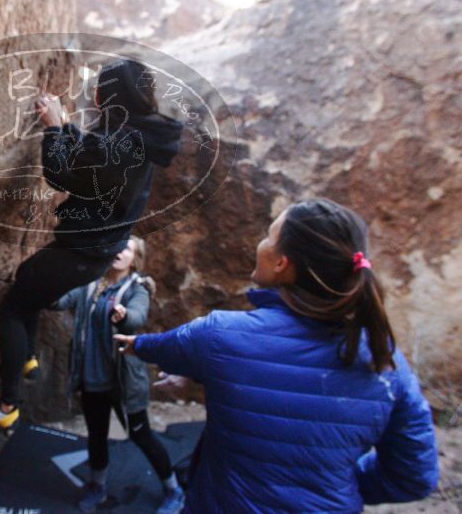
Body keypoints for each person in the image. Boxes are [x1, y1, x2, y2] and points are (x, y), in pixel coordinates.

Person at [115, 198, 439, 512]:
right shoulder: (386, 360)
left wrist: (135, 345)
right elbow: (414, 477)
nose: (261, 243)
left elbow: (166, 348)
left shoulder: (220, 334)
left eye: (268, 236)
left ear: (282, 264)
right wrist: (336, 484)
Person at [0, 59, 183, 427]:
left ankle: (7, 405)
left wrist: (54, 129)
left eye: (100, 86)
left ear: (108, 95)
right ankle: (28, 358)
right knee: (29, 281)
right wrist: (66, 127)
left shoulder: (120, 139)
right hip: (94, 251)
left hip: (81, 252)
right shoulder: (138, 135)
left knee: (13, 308)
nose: (95, 92)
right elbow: (91, 162)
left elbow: (62, 175)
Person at [50, 235, 185, 514]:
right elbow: (61, 301)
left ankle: (174, 489)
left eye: (127, 249)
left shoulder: (138, 288)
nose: (119, 252)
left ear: (135, 259)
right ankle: (97, 487)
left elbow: (136, 316)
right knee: (96, 435)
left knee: (141, 435)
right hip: (91, 377)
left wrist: (122, 316)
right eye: (117, 246)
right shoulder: (91, 284)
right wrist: (43, 286)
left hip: (123, 380)